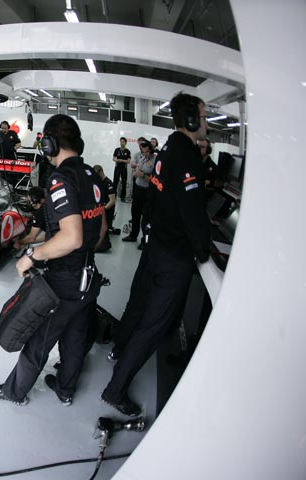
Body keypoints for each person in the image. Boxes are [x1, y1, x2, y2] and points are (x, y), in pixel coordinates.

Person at [101, 92, 211, 417]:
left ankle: (119, 348)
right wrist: (204, 252)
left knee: (138, 303)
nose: (206, 123)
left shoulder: (167, 148)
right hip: (174, 257)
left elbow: (158, 198)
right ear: (190, 120)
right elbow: (193, 214)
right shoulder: (187, 157)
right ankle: (115, 390)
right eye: (204, 117)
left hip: (155, 246)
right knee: (154, 325)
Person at [0, 114, 107, 407]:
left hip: (64, 280)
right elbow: (101, 231)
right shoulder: (92, 176)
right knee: (75, 340)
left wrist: (32, 256)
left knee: (39, 341)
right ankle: (65, 390)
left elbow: (72, 238)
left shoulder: (60, 178)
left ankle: (14, 392)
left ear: (50, 144)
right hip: (89, 277)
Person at [123, 139, 156, 248]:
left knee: (146, 218)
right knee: (135, 213)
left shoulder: (155, 160)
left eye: (147, 152)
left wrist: (143, 175)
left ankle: (145, 240)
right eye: (143, 152)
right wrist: (138, 173)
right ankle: (133, 235)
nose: (145, 154)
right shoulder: (142, 158)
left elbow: (155, 180)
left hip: (147, 191)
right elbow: (137, 167)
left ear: (151, 150)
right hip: (138, 189)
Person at [92, 165, 117, 252]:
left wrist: (103, 210)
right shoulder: (98, 183)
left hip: (106, 210)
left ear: (101, 172)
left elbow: (112, 201)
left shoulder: (108, 183)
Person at [112, 137, 131, 201]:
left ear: (125, 143)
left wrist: (122, 160)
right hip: (117, 167)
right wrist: (116, 160)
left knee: (124, 182)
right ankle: (114, 196)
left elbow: (128, 161)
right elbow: (113, 158)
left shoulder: (127, 151)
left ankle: (123, 197)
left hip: (124, 168)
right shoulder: (117, 150)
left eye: (123, 141)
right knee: (115, 182)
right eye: (121, 141)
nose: (121, 143)